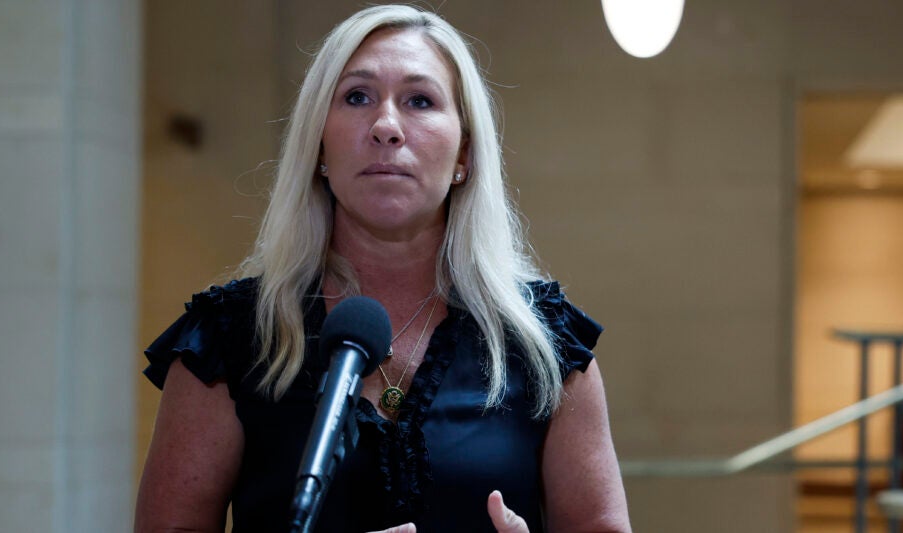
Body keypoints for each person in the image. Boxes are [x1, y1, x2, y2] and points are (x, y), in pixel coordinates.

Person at [135, 5, 630, 533]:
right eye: (357, 97)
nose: (386, 126)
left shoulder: (545, 343)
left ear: (464, 152)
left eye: (420, 100)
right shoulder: (227, 339)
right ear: (319, 145)